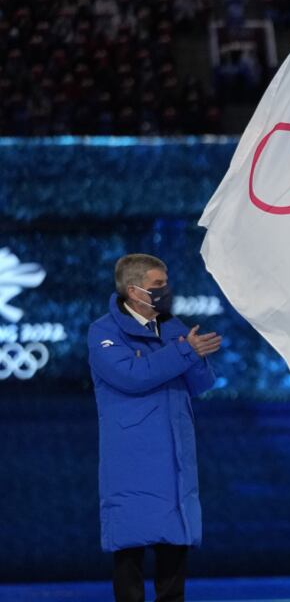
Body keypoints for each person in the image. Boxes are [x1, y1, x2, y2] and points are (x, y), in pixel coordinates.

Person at [87, 254, 221, 602]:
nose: (166, 291)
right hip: (133, 456)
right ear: (133, 290)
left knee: (174, 552)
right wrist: (182, 352)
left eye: (165, 284)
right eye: (157, 286)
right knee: (129, 553)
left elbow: (201, 383)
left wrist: (194, 354)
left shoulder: (173, 328)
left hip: (176, 454)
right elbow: (131, 377)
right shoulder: (103, 331)